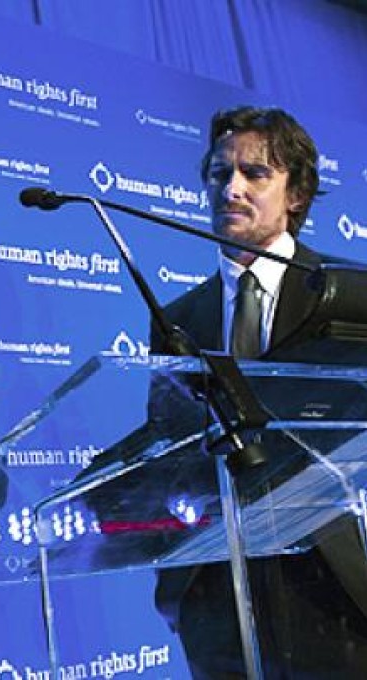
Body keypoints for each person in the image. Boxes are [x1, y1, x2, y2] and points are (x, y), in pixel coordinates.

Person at [150, 106, 367, 678]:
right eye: (220, 175)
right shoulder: (176, 320)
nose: (232, 188)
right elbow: (168, 446)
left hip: (336, 581)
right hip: (215, 590)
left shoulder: (352, 292)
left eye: (255, 173)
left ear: (296, 194)